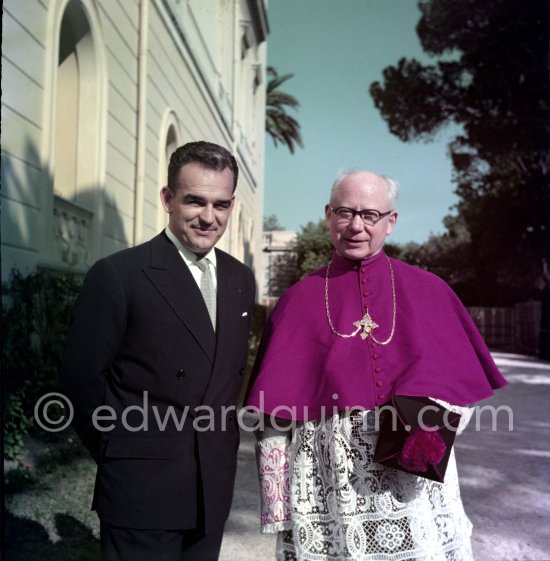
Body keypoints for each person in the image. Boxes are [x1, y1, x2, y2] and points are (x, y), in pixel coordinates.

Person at [245, 170, 507, 561]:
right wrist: (278, 508)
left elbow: (461, 395)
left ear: (391, 221)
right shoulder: (297, 300)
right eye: (344, 212)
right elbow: (272, 422)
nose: (355, 226)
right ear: (328, 215)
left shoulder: (430, 291)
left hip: (411, 488)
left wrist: (426, 430)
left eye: (369, 215)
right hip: (328, 487)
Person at [59, 141, 256, 561]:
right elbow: (80, 384)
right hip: (140, 490)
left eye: (220, 204)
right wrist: (127, 451)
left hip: (213, 488)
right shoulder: (119, 275)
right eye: (195, 201)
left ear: (232, 204)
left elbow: (227, 380)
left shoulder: (241, 279)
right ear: (168, 199)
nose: (209, 217)